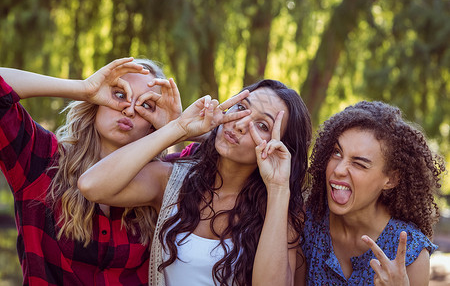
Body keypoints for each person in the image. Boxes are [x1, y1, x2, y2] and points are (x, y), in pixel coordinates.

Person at [78, 79, 312, 286]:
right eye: (241, 108)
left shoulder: (280, 209)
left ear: (281, 147)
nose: (241, 124)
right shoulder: (172, 180)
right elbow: (91, 185)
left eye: (263, 126)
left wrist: (279, 188)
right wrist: (178, 128)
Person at [0, 57, 184, 285]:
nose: (129, 109)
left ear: (153, 124)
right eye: (119, 94)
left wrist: (177, 126)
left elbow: (232, 154)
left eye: (146, 105)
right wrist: (83, 88)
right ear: (97, 100)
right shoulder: (41, 161)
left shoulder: (166, 179)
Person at [302, 101, 445, 285]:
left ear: (391, 180)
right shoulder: (307, 224)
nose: (338, 169)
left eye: (359, 164)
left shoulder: (410, 252)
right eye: (337, 153)